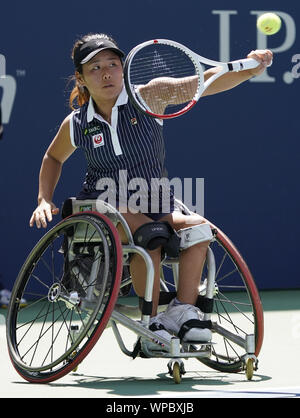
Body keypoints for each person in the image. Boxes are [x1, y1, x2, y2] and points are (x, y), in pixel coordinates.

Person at [29, 33, 272, 349]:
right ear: (81, 78)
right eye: (95, 68)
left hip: (155, 201)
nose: (106, 74)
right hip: (101, 205)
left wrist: (251, 70)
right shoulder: (77, 123)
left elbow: (205, 81)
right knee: (151, 232)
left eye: (113, 65)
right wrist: (43, 199)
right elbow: (53, 157)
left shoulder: (148, 96)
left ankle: (182, 313)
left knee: (199, 229)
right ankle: (151, 322)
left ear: (123, 68)